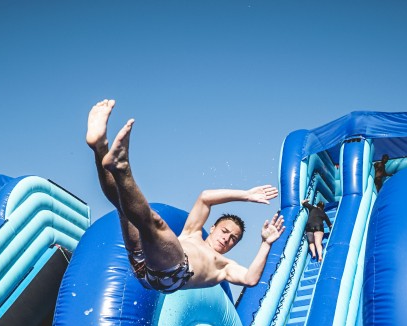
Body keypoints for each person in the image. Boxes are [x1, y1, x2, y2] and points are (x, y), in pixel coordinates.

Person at [86, 99, 285, 292]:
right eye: (225, 231)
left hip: (173, 274)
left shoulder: (224, 266)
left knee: (156, 223)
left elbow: (250, 279)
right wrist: (246, 195)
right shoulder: (192, 232)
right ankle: (99, 146)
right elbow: (206, 197)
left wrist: (266, 243)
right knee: (123, 209)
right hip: (141, 263)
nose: (227, 238)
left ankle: (121, 168)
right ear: (213, 227)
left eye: (233, 238)